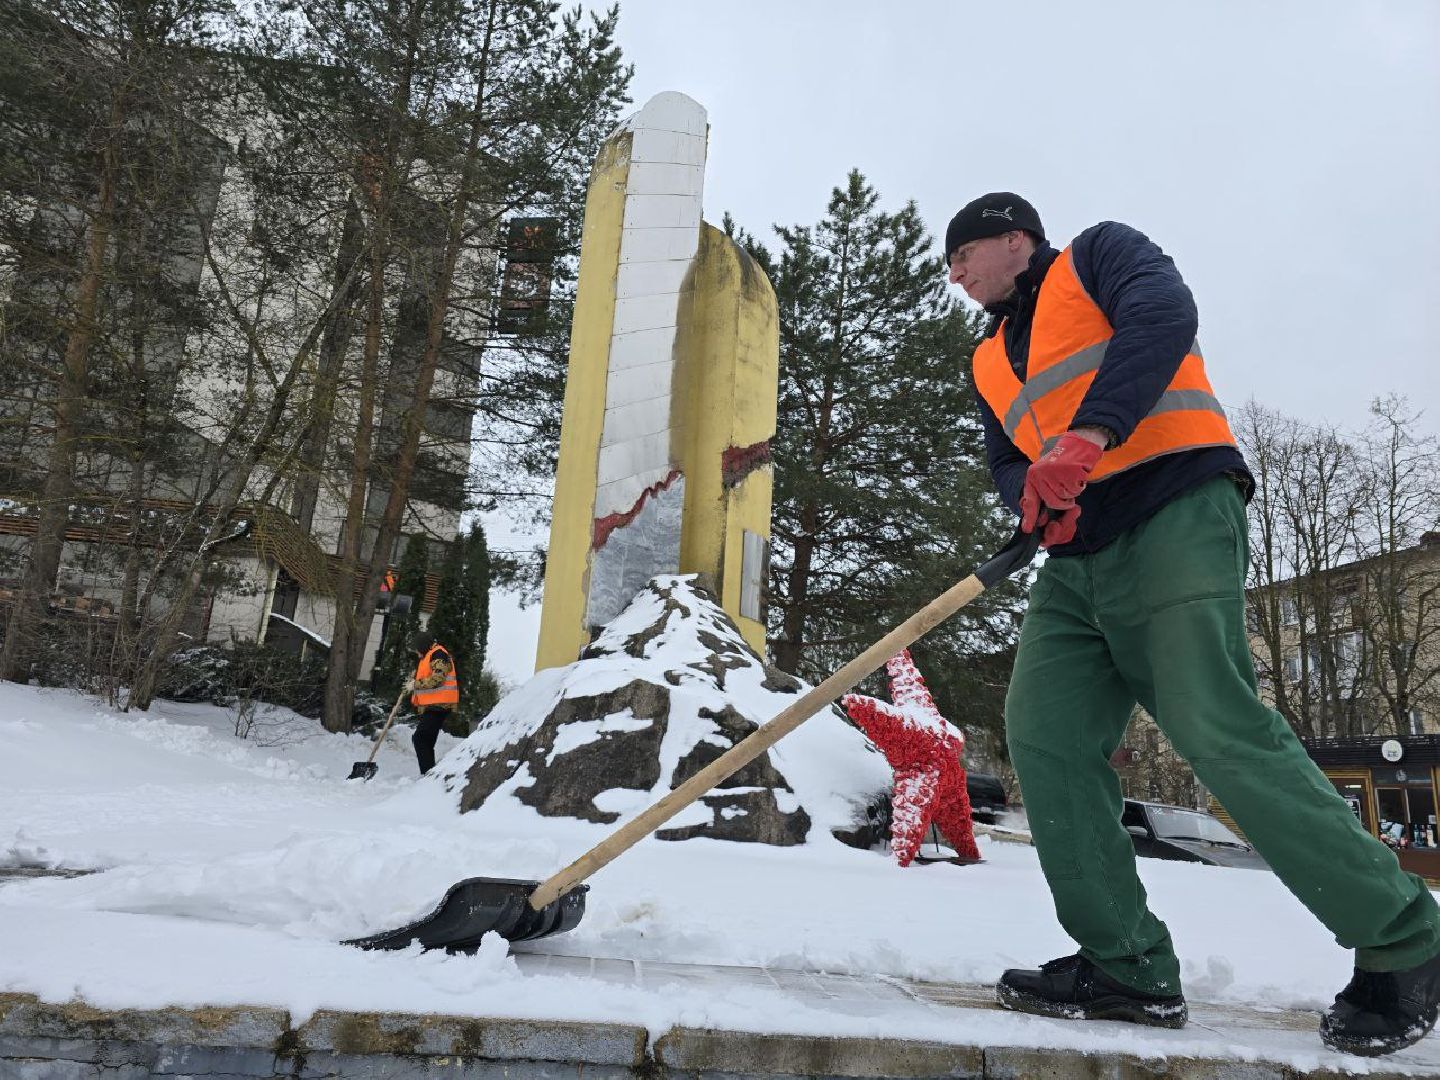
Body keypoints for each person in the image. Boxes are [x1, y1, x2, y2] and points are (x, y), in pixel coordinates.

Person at [943, 191, 1440, 1057]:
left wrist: (1090, 434)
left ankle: (1406, 939)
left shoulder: (1097, 255)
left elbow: (1165, 316)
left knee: (1215, 724)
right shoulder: (986, 360)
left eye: (962, 256)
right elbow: (1005, 460)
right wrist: (1029, 503)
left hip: (1175, 510)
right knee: (1045, 735)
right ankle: (1126, 964)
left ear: (1013, 238)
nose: (954, 275)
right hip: (1076, 561)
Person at [406, 628, 459, 775]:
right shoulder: (430, 655)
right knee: (426, 741)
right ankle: (429, 775)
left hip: (439, 705)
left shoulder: (438, 654)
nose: (416, 653)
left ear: (423, 645)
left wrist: (416, 684)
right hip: (434, 706)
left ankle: (427, 775)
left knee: (420, 738)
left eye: (417, 650)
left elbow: (438, 679)